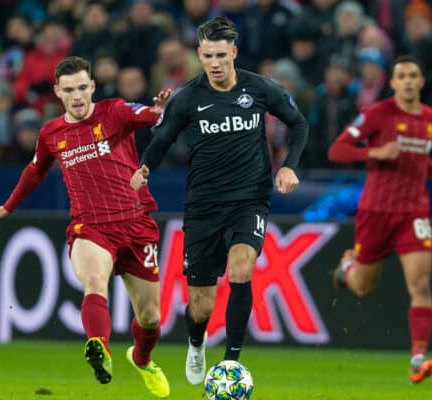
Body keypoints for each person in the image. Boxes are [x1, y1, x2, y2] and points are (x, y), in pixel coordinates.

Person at [130, 16, 309, 385]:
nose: (214, 63)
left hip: (249, 200)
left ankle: (232, 363)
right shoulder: (189, 97)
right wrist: (144, 168)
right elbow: (161, 140)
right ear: (200, 54)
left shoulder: (260, 89)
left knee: (242, 267)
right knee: (201, 306)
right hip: (202, 206)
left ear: (234, 53)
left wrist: (290, 167)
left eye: (221, 55)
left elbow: (300, 123)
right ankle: (197, 343)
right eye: (208, 55)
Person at [0, 56, 172, 398]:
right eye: (70, 90)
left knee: (151, 317)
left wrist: (158, 110)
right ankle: (100, 348)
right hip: (91, 227)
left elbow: (147, 115)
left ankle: (142, 359)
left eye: (83, 87)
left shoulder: (114, 111)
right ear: (58, 92)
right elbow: (35, 171)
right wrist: (8, 207)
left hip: (136, 222)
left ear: (93, 87)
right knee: (94, 282)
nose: (78, 96)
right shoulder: (52, 133)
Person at [327, 55, 432, 384]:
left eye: (413, 76)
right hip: (376, 211)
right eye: (401, 76)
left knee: (420, 284)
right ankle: (348, 267)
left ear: (421, 82)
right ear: (392, 83)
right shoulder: (378, 114)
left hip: (413, 212)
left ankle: (417, 358)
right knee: (363, 287)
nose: (407, 81)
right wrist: (373, 153)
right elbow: (338, 150)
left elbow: (420, 158)